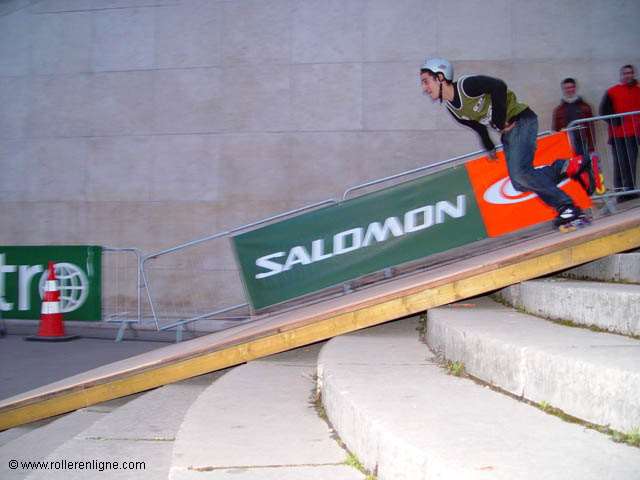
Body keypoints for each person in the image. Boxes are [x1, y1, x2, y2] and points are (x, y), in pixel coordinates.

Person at [419, 57, 595, 230]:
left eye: (426, 82)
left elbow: (499, 86)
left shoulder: (466, 86)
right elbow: (478, 126)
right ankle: (570, 166)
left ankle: (568, 207)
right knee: (519, 183)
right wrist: (489, 145)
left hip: (521, 120)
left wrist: (498, 119)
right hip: (508, 133)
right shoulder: (453, 109)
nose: (424, 88)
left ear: (440, 77)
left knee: (521, 175)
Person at [599, 64, 640, 203]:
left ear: (633, 74)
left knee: (632, 162)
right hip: (618, 135)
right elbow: (603, 112)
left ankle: (630, 190)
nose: (628, 75)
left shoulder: (638, 91)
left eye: (630, 73)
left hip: (634, 134)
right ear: (621, 75)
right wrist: (617, 121)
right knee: (621, 163)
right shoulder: (612, 92)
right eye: (625, 73)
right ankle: (621, 192)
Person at [551, 78, 594, 158]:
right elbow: (555, 130)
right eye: (567, 88)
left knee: (585, 166)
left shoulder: (585, 107)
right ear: (563, 90)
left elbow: (591, 128)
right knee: (570, 168)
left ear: (575, 88)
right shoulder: (558, 110)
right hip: (566, 144)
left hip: (583, 142)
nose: (569, 90)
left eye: (571, 87)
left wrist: (591, 147)